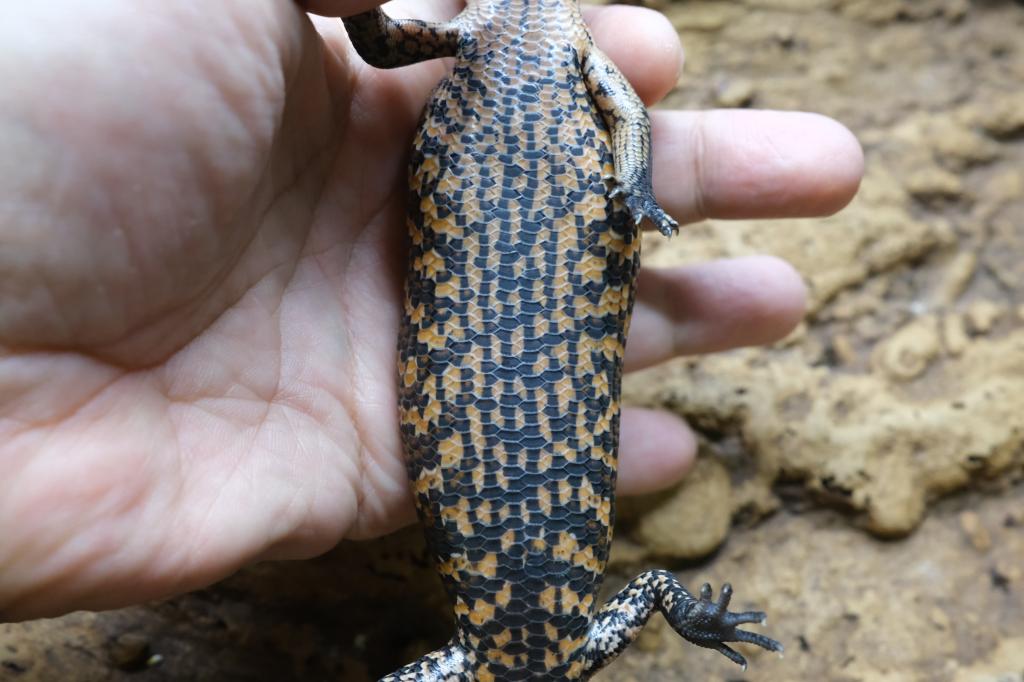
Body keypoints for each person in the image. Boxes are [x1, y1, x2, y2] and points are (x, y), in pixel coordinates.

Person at [0, 0, 863, 621]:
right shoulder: (555, 41)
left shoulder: (505, 33)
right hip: (516, 269)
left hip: (503, 271)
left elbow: (388, 43)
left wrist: (637, 190)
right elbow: (617, 113)